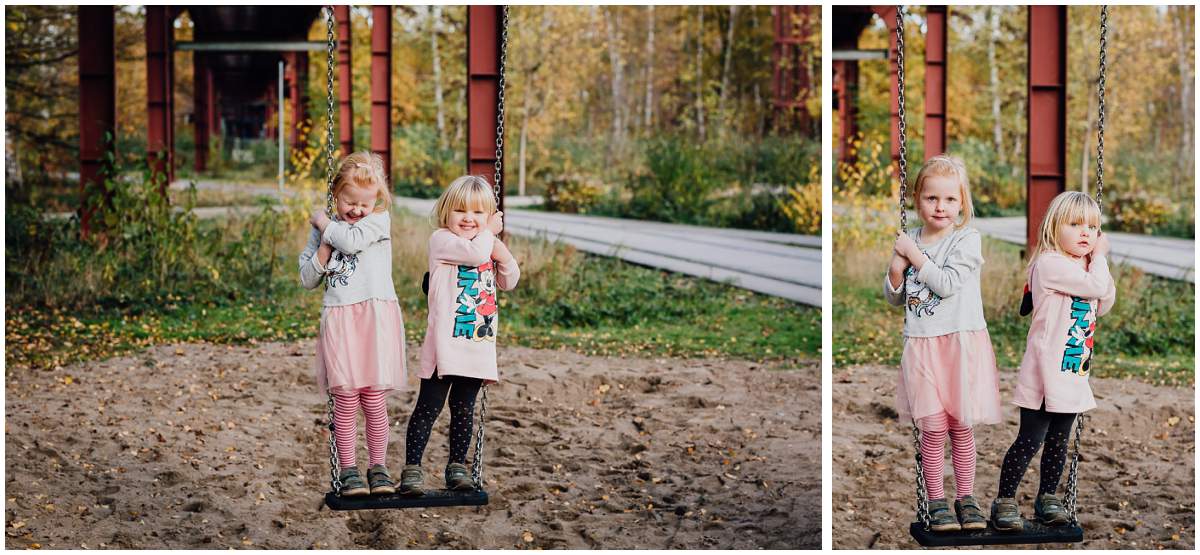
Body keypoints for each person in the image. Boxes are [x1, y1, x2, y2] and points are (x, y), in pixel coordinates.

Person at [885, 154, 1002, 532]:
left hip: (960, 344)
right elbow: (897, 297)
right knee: (933, 427)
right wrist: (894, 269)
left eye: (950, 199)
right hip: (922, 346)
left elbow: (947, 284)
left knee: (960, 425)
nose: (941, 206)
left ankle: (965, 498)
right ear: (917, 199)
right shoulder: (911, 241)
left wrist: (913, 256)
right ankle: (936, 501)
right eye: (932, 198)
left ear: (962, 203)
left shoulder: (967, 240)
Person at [990, 191, 1116, 531]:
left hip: (1073, 372)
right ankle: (1004, 501)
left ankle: (1047, 498)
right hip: (1044, 374)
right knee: (1030, 439)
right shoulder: (1050, 263)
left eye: (1092, 227)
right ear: (1053, 227)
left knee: (1059, 441)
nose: (1085, 233)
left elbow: (1103, 300)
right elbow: (1096, 287)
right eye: (1075, 225)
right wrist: (1101, 258)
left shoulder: (1085, 267)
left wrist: (1095, 262)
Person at [400, 175, 520, 495]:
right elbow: (474, 255)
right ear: (445, 213)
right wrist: (489, 233)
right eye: (460, 210)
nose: (469, 218)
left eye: (478, 213)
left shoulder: (485, 245)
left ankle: (457, 467)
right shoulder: (442, 240)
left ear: (489, 215)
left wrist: (503, 254)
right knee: (429, 407)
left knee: (464, 409)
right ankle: (412, 469)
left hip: (476, 346)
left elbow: (510, 280)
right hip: (445, 346)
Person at [299, 151, 405, 496]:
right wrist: (323, 251)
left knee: (374, 398)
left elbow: (352, 239)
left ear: (377, 200)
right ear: (336, 195)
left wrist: (327, 226)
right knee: (345, 398)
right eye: (349, 202)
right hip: (341, 319)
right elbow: (307, 278)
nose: (357, 210)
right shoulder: (324, 230)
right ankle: (349, 471)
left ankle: (378, 467)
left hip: (374, 316)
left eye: (365, 203)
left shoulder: (379, 220)